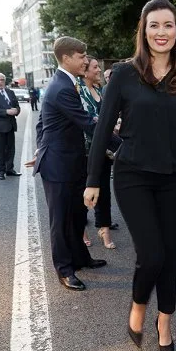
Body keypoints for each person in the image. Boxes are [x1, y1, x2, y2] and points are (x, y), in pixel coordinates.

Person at [83, 0, 176, 351]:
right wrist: (92, 180)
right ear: (144, 30)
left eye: (169, 25)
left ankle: (164, 322)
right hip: (133, 175)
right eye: (154, 25)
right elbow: (103, 128)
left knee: (168, 256)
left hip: (174, 178)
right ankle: (138, 306)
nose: (162, 32)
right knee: (151, 254)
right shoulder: (124, 73)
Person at [27, 36, 107, 292]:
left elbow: (42, 122)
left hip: (70, 162)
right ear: (66, 58)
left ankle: (80, 259)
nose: (85, 60)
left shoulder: (65, 83)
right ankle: (64, 270)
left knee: (77, 214)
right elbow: (88, 124)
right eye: (81, 56)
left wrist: (41, 146)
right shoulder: (62, 86)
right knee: (60, 220)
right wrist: (125, 145)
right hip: (58, 166)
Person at [78, 57, 116, 249]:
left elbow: (106, 117)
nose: (99, 71)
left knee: (104, 192)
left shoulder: (100, 90)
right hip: (86, 151)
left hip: (104, 149)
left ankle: (104, 229)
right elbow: (87, 121)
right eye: (95, 68)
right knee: (85, 192)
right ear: (85, 71)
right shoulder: (79, 91)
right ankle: (82, 230)